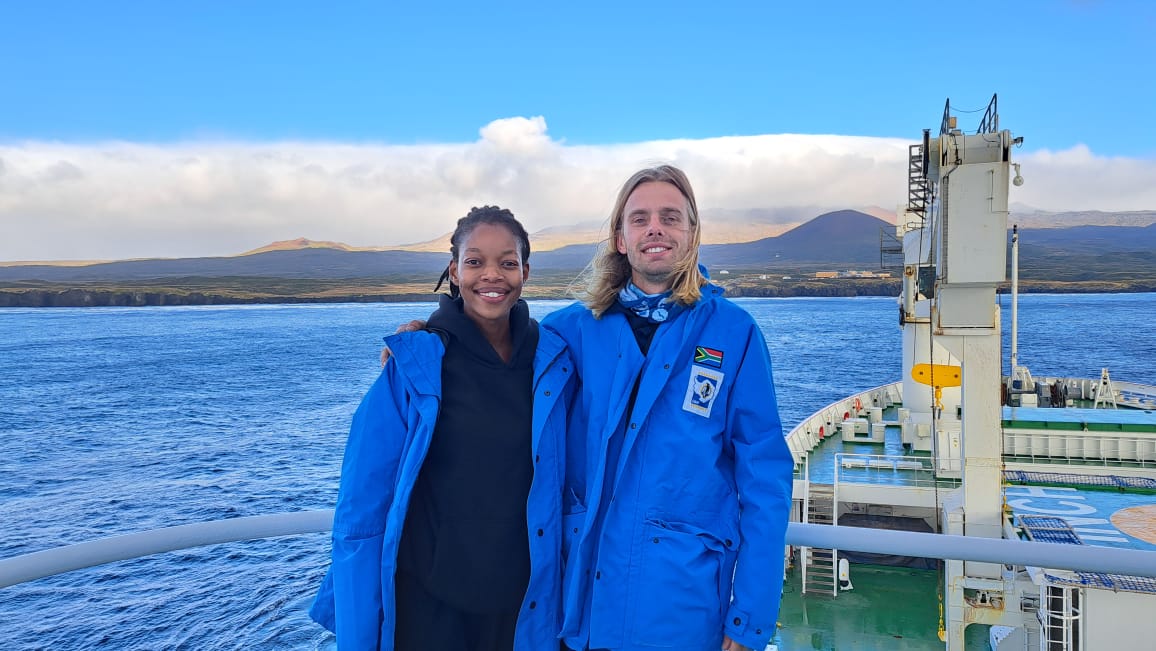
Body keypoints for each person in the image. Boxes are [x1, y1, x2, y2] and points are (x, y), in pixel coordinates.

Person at [544, 165, 794, 651]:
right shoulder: (570, 331)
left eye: (670, 217)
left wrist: (749, 617)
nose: (654, 228)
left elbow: (765, 480)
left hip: (683, 605)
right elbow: (492, 354)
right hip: (583, 602)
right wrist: (433, 335)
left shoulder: (733, 334)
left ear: (692, 233)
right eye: (639, 219)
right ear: (620, 238)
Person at [309, 206, 576, 650]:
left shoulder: (553, 363)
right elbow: (362, 506)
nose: (491, 275)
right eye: (475, 262)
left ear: (525, 272)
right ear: (454, 271)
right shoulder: (414, 367)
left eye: (507, 263)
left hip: (523, 605)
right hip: (429, 607)